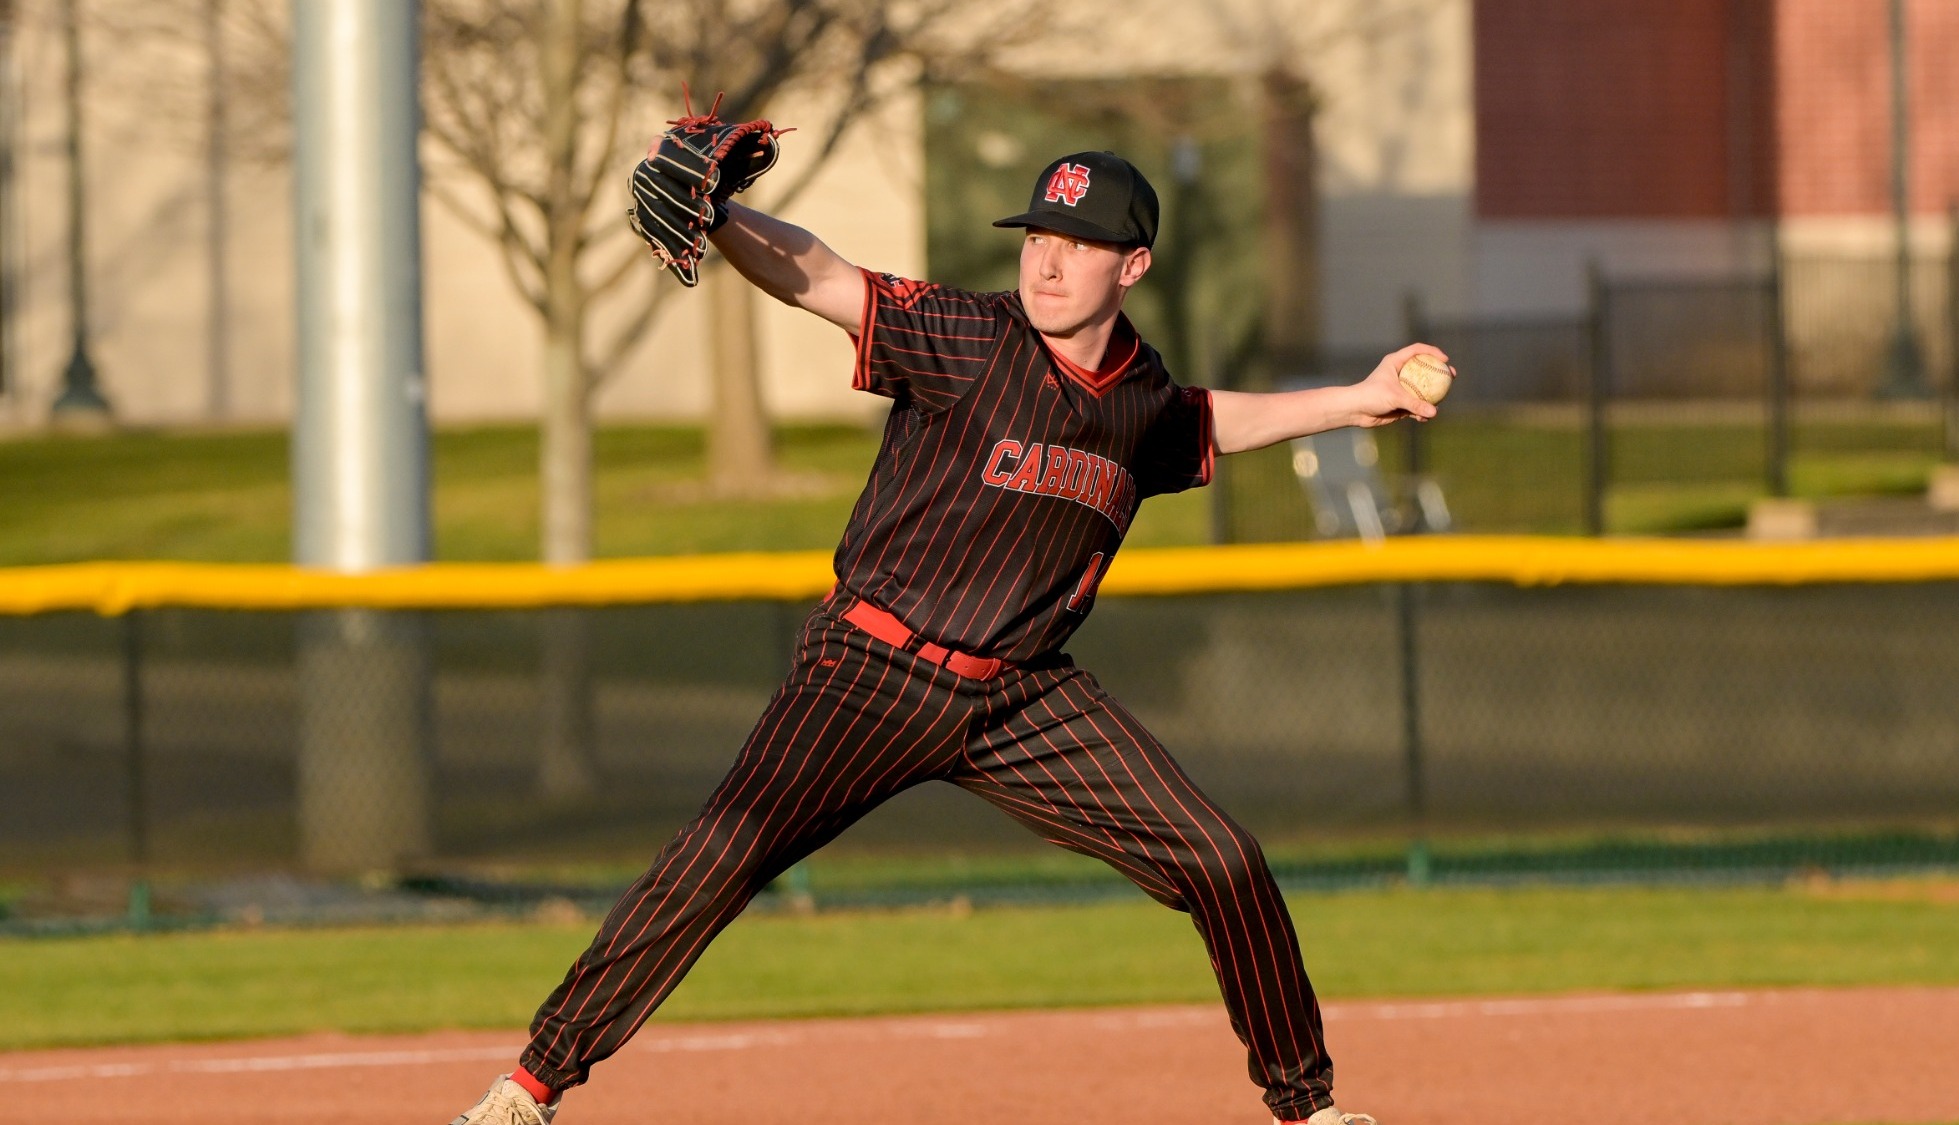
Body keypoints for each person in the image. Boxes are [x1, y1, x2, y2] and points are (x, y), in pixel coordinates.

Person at [451, 149, 1445, 1125]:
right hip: (867, 671)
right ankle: (528, 1090)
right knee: (718, 854)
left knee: (1223, 860)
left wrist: (1360, 400)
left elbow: (1209, 421)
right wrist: (721, 219)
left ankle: (1306, 1108)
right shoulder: (968, 338)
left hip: (1024, 698)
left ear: (1132, 265)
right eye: (1038, 236)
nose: (1047, 261)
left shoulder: (1141, 393)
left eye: (1078, 243)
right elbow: (822, 278)